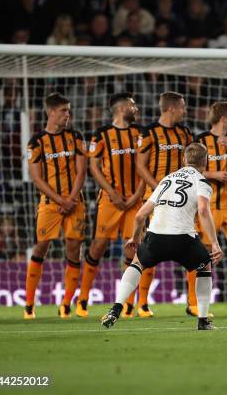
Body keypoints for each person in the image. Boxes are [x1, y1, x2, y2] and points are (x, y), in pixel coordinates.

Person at [101, 143, 223, 330]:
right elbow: (204, 211)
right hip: (183, 239)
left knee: (137, 263)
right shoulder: (202, 181)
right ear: (205, 161)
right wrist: (214, 243)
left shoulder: (167, 179)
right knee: (204, 265)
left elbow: (141, 215)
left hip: (156, 236)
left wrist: (135, 238)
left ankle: (116, 308)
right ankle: (203, 321)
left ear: (184, 159)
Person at [75, 93, 144, 318]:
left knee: (133, 249)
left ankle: (127, 304)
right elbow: (93, 167)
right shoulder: (101, 134)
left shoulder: (139, 134)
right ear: (121, 108)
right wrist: (112, 192)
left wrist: (137, 195)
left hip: (134, 200)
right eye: (132, 105)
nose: (136, 108)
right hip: (109, 200)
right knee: (98, 245)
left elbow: (146, 165)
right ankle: (82, 299)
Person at [24, 93, 87, 319]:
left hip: (75, 203)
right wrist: (61, 200)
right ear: (51, 113)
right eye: (63, 111)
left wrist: (70, 198)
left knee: (74, 249)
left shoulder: (76, 137)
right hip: (50, 204)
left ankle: (66, 304)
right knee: (41, 247)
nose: (67, 115)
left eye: (68, 111)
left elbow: (82, 171)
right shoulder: (36, 142)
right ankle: (29, 305)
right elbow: (37, 178)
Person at [132, 91, 193, 317]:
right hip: (155, 199)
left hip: (182, 200)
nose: (184, 111)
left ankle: (193, 302)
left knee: (191, 245)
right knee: (151, 247)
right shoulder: (148, 133)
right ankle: (142, 303)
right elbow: (140, 166)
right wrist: (160, 188)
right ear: (171, 108)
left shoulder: (185, 133)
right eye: (182, 107)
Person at [192, 102, 227, 317]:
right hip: (209, 207)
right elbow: (189, 169)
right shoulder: (200, 140)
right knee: (203, 255)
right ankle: (196, 302)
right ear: (223, 118)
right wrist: (213, 175)